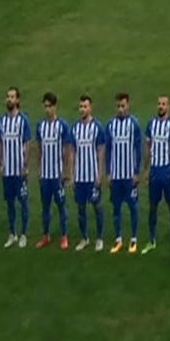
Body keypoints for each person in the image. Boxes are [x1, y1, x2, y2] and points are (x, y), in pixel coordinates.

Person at [142, 96, 170, 255]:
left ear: (168, 107)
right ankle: (151, 240)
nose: (160, 106)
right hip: (154, 171)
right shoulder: (151, 124)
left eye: (163, 104)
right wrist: (145, 169)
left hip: (167, 170)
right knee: (153, 206)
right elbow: (147, 146)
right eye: (158, 104)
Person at [69, 94, 106, 252]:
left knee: (97, 206)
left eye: (85, 106)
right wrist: (71, 175)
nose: (82, 109)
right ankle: (84, 238)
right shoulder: (75, 128)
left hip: (92, 176)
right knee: (81, 208)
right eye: (81, 107)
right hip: (79, 176)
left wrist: (99, 174)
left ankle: (99, 238)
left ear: (90, 108)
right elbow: (71, 152)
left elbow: (100, 152)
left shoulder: (97, 127)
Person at [106, 92, 142, 253]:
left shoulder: (134, 124)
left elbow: (138, 149)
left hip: (129, 176)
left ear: (128, 105)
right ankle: (118, 239)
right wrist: (108, 172)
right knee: (116, 208)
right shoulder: (110, 125)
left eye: (123, 106)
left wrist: (136, 172)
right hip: (116, 176)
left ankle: (133, 239)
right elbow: (107, 150)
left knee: (133, 207)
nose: (120, 109)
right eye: (118, 106)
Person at [35, 92, 69, 249]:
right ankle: (45, 235)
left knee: (61, 205)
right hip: (45, 174)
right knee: (45, 206)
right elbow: (39, 149)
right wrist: (38, 170)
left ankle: (63, 236)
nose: (47, 109)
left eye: (50, 106)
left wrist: (66, 171)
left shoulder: (61, 126)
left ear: (55, 107)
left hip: (57, 174)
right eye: (45, 106)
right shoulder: (40, 126)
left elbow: (66, 149)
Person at [0, 86, 30, 249]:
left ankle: (23, 234)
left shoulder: (23, 120)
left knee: (23, 202)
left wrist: (25, 165)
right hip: (7, 170)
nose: (9, 99)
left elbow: (27, 143)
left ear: (17, 100)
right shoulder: (2, 121)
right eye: (7, 96)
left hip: (19, 170)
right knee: (9, 202)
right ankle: (12, 234)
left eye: (12, 97)